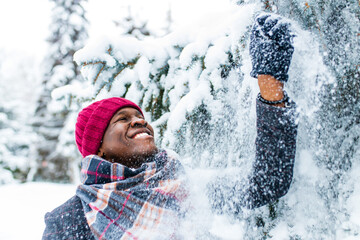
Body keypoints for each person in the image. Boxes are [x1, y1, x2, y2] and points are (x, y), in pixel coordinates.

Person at [42, 13, 298, 240]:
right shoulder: (69, 220)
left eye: (139, 116)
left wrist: (270, 84)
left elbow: (269, 180)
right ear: (98, 149)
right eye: (122, 119)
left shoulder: (186, 188)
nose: (139, 120)